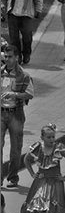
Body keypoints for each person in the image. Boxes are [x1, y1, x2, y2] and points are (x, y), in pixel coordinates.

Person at [1, 45, 34, 188]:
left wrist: (15, 94)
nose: (6, 59)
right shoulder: (1, 72)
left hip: (16, 114)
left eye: (9, 57)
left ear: (16, 58)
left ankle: (13, 177)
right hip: (1, 113)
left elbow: (30, 93)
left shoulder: (24, 75)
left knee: (15, 148)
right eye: (5, 56)